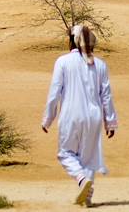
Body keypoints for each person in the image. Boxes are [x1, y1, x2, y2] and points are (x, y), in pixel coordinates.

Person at [42, 24, 118, 207]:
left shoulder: (62, 62)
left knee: (65, 153)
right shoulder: (100, 64)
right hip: (94, 117)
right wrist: (111, 122)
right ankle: (88, 197)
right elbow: (106, 95)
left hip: (71, 114)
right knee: (89, 157)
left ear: (73, 41)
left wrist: (48, 119)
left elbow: (55, 93)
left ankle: (82, 180)